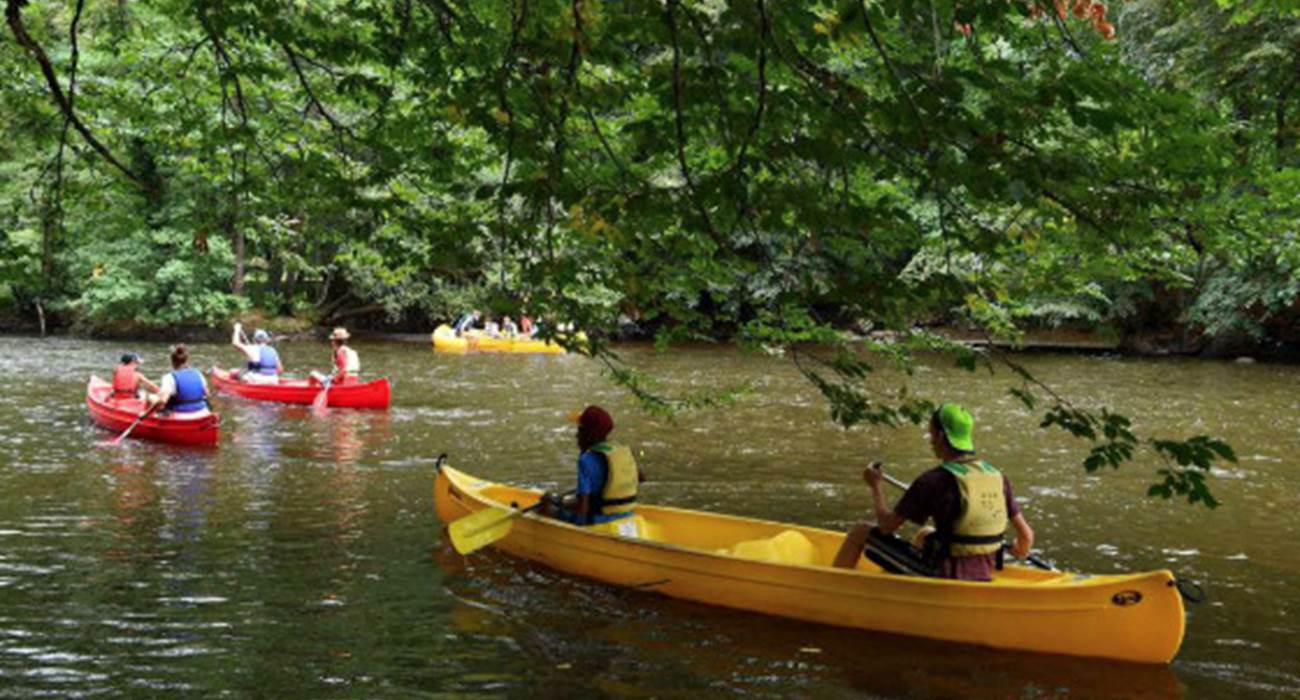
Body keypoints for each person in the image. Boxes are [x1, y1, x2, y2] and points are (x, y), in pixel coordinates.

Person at [832, 403, 1035, 581]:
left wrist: (875, 486)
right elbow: (1026, 538)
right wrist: (1017, 549)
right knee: (925, 533)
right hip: (985, 570)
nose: (930, 441)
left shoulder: (933, 480)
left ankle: (833, 589)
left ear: (939, 435)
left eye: (931, 434)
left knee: (860, 531)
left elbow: (886, 527)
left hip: (943, 573)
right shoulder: (997, 477)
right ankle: (897, 585)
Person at [541, 405, 645, 526]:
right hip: (627, 515)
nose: (576, 435)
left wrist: (553, 508)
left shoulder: (586, 460)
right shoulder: (621, 451)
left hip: (599, 521)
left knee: (546, 506)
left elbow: (583, 508)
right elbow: (642, 478)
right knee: (563, 503)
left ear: (586, 434)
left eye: (579, 430)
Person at [152, 345, 209, 414]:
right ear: (187, 360)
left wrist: (148, 411)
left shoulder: (169, 377)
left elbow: (163, 401)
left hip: (180, 413)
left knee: (152, 398)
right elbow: (207, 393)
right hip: (200, 411)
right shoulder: (198, 373)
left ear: (172, 362)